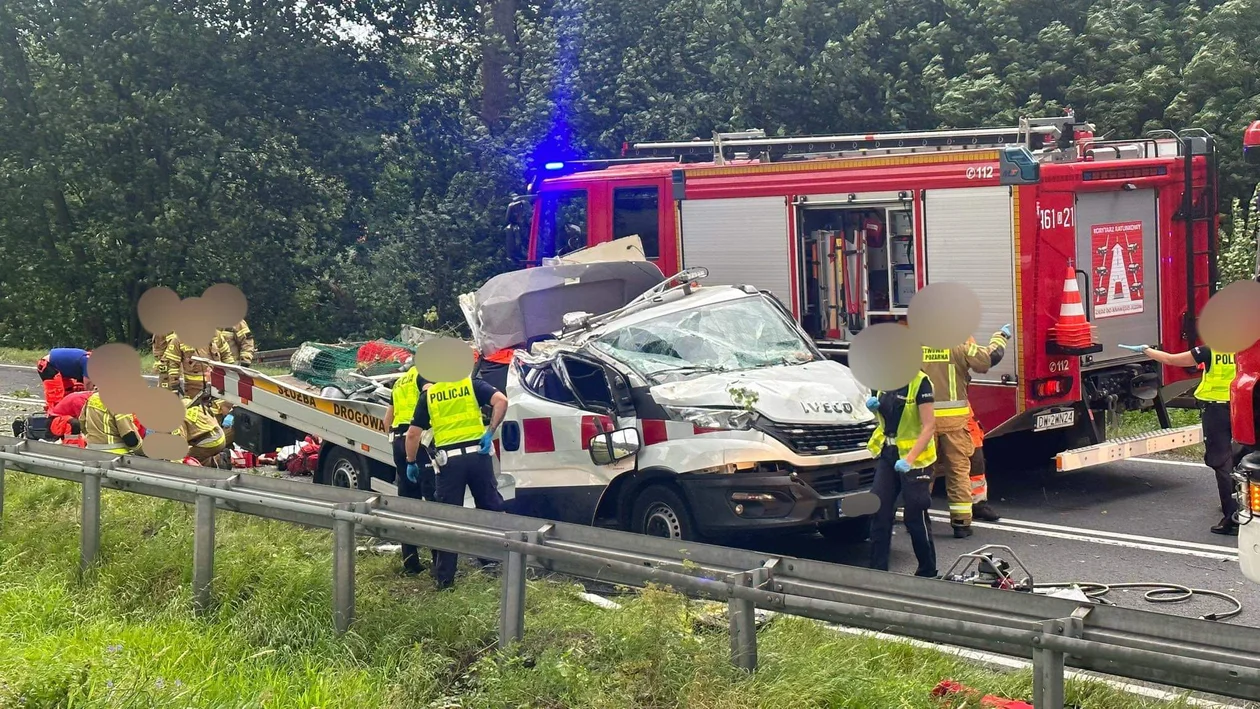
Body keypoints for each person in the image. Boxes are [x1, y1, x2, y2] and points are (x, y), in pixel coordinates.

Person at [1121, 342, 1238, 535]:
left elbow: (1171, 360)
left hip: (1216, 409)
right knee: (1244, 457)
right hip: (1243, 406)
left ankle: (1232, 518)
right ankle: (1246, 507)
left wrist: (1146, 350)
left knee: (1221, 461)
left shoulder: (1211, 349)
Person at [404, 373, 508, 589]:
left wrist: (411, 461)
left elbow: (413, 434)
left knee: (448, 519)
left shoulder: (429, 395)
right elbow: (502, 401)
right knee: (488, 510)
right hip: (479, 457)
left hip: (448, 463)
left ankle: (445, 579)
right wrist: (490, 432)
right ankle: (494, 564)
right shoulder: (471, 384)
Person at [921, 326, 1010, 538]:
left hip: (924, 421)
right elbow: (987, 359)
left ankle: (919, 519)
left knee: (924, 471)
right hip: (954, 422)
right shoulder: (960, 347)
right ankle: (961, 524)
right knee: (958, 470)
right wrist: (1001, 337)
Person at [866, 369, 938, 577]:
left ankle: (927, 570)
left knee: (914, 515)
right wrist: (874, 409)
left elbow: (929, 426)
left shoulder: (920, 383)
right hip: (888, 453)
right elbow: (887, 417)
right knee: (879, 510)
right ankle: (877, 572)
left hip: (915, 459)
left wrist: (909, 459)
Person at [383, 359, 436, 575]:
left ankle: (411, 561)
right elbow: (430, 395)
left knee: (407, 500)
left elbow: (387, 419)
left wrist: (397, 441)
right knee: (432, 500)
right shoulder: (423, 375)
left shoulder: (399, 382)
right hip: (418, 440)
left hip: (398, 439)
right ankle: (439, 562)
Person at [82, 391, 143, 455]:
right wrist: (141, 451)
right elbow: (129, 437)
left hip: (91, 450)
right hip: (115, 454)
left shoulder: (93, 398)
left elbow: (82, 421)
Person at [178, 398, 228, 465]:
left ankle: (215, 463)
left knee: (185, 459)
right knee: (199, 453)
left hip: (210, 441)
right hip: (218, 433)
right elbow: (209, 412)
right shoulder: (186, 401)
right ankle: (215, 460)